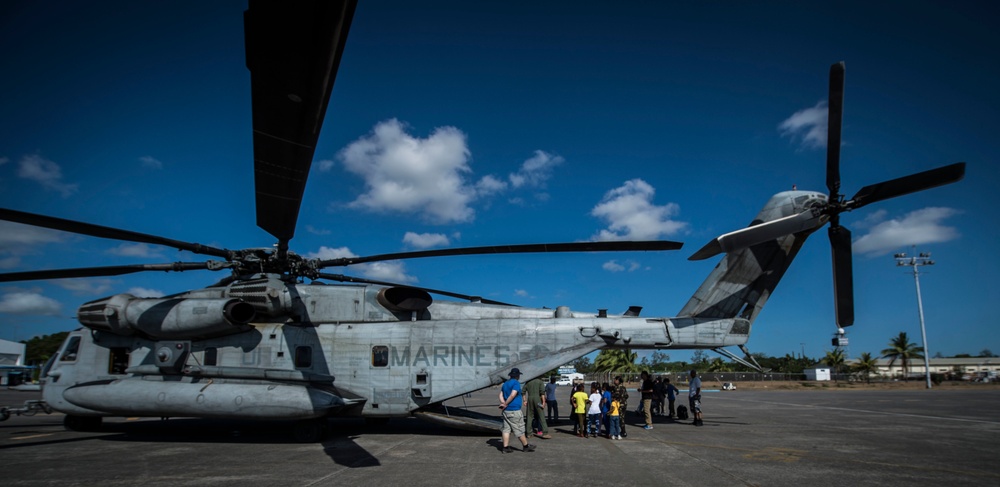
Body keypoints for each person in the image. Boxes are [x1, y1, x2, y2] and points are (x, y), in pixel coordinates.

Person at [498, 368, 537, 453]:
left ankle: (505, 447)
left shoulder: (505, 384)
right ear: (517, 376)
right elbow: (513, 394)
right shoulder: (516, 383)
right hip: (514, 410)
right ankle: (526, 446)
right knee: (519, 429)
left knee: (506, 429)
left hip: (506, 411)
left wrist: (503, 403)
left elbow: (500, 395)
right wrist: (506, 403)